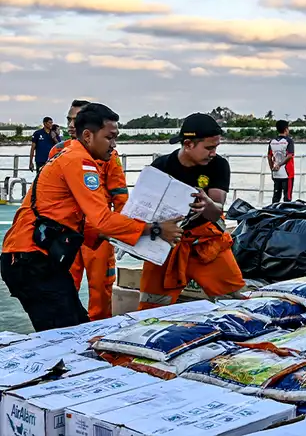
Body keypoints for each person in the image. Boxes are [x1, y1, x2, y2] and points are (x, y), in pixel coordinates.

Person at [1, 104, 182, 331]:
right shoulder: (80, 161)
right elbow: (103, 219)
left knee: (76, 327)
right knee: (66, 334)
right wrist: (155, 229)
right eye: (109, 137)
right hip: (33, 260)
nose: (114, 145)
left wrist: (122, 236)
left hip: (37, 256)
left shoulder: (67, 155)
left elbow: (78, 216)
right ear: (87, 136)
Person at [138, 113, 246, 310]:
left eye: (216, 147)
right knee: (152, 305)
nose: (213, 153)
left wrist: (208, 205)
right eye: (209, 148)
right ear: (188, 144)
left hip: (206, 243)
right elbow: (141, 211)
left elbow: (217, 210)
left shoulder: (218, 165)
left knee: (234, 302)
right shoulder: (160, 167)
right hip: (167, 244)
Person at [49, 99, 130, 321]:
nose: (71, 125)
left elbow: (120, 195)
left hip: (99, 230)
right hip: (67, 230)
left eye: (75, 119)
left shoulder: (108, 155)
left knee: (101, 288)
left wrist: (123, 231)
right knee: (63, 284)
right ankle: (66, 329)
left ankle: (99, 330)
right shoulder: (58, 151)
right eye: (68, 119)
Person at [267, 120, 295, 203]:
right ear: (286, 129)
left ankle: (273, 210)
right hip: (287, 173)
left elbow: (269, 156)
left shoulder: (272, 142)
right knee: (287, 197)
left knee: (276, 197)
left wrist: (272, 169)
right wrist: (280, 164)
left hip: (276, 173)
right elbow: (290, 155)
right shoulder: (289, 141)